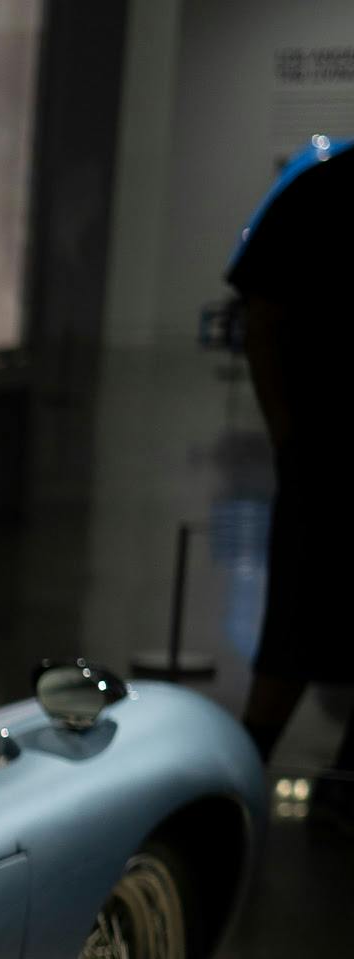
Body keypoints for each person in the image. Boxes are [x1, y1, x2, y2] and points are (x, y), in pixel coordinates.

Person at [226, 136, 354, 796]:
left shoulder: (315, 189)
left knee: (299, 617)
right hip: (326, 451)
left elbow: (260, 314)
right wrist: (284, 426)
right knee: (298, 616)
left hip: (317, 447)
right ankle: (248, 769)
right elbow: (261, 315)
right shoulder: (320, 191)